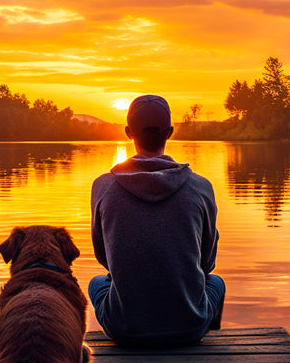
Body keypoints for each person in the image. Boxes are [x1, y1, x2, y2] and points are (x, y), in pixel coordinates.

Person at [88, 94, 225, 347]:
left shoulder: (103, 187)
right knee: (215, 282)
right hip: (189, 327)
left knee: (98, 283)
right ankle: (202, 346)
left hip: (124, 328)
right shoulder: (201, 187)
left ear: (129, 132)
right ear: (170, 132)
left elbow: (104, 258)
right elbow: (207, 263)